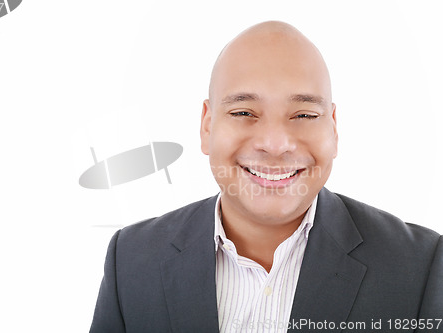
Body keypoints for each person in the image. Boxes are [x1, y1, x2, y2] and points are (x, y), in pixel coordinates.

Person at [89, 21, 442, 332]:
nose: (275, 145)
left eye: (304, 115)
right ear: (207, 125)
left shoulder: (421, 268)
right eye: (243, 111)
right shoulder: (132, 260)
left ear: (333, 129)